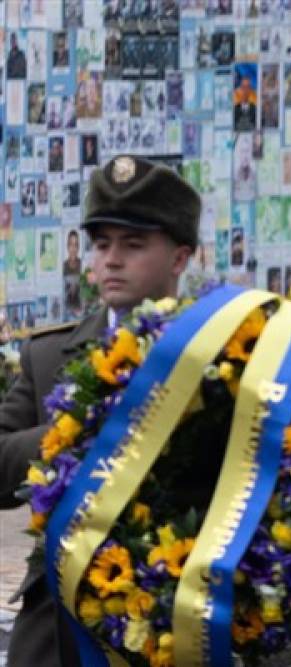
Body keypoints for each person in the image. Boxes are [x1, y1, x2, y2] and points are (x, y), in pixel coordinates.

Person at [0, 154, 199, 666]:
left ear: (179, 258)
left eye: (133, 245)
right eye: (102, 244)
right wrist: (76, 429)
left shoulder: (219, 353)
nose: (111, 260)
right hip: (59, 627)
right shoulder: (50, 355)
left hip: (174, 616)